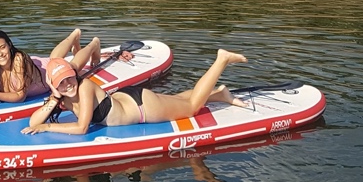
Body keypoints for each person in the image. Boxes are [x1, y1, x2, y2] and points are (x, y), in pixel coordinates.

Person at [22, 48, 248, 135]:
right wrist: (54, 99)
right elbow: (33, 121)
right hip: (128, 98)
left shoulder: (85, 87)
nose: (68, 84)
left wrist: (48, 127)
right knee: (177, 99)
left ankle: (221, 60)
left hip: (142, 108)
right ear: (53, 85)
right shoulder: (61, 97)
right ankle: (220, 94)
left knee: (190, 108)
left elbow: (82, 128)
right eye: (61, 83)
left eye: (69, 78)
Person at [0, 27, 103, 104]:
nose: (0, 54)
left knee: (71, 66)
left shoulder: (18, 60)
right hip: (41, 65)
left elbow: (20, 96)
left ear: (9, 45)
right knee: (53, 58)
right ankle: (74, 36)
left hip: (48, 74)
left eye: (2, 47)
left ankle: (93, 45)